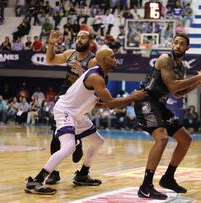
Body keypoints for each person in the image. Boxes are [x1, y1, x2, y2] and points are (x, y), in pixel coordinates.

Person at [25, 48, 148, 194]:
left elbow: (91, 100)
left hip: (77, 114)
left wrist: (105, 104)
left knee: (98, 141)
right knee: (69, 147)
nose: (115, 59)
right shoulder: (96, 76)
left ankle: (82, 174)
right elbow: (111, 103)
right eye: (112, 57)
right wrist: (133, 97)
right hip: (65, 111)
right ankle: (36, 181)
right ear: (103, 60)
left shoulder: (99, 75)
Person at [134, 33, 201, 200]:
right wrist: (200, 77)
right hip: (146, 101)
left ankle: (168, 178)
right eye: (176, 43)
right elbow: (172, 86)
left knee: (185, 139)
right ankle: (145, 186)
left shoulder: (181, 67)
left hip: (160, 105)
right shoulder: (165, 59)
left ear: (187, 48)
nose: (178, 46)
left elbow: (178, 94)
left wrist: (197, 83)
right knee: (162, 138)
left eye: (182, 44)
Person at [44, 30, 98, 185]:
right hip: (64, 98)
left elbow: (93, 85)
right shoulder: (70, 54)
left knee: (77, 140)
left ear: (90, 42)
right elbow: (50, 60)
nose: (79, 39)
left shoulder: (93, 61)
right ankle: (54, 173)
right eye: (77, 37)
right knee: (55, 136)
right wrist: (51, 43)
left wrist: (82, 72)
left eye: (83, 37)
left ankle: (77, 140)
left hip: (80, 103)